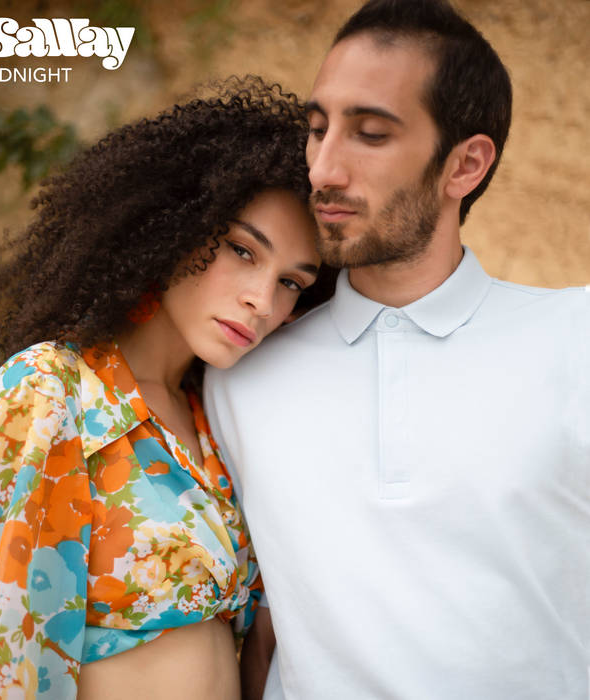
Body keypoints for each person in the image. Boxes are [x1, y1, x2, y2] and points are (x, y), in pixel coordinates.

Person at [204, 2, 590, 699]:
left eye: (371, 133)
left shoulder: (575, 337)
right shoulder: (239, 373)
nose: (323, 169)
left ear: (464, 165)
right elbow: (257, 628)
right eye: (317, 130)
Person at [0, 77, 325, 700]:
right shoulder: (52, 391)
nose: (262, 300)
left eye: (291, 283)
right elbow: (1, 647)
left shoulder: (216, 418)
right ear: (175, 226)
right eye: (242, 250)